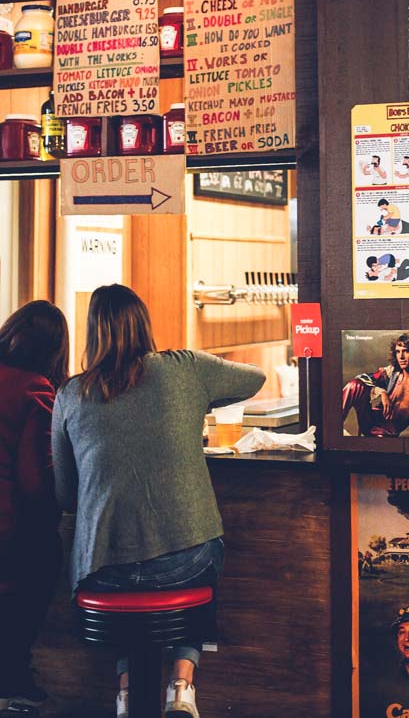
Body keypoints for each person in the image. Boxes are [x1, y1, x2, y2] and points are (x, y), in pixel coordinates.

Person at [51, 284, 265, 718]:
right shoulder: (184, 368)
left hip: (102, 571)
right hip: (185, 562)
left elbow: (65, 495)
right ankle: (181, 685)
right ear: (144, 325)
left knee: (126, 572)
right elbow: (254, 379)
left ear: (92, 332)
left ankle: (127, 692)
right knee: (197, 553)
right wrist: (198, 396)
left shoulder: (70, 395)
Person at [0, 301, 69, 712]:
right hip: (8, 529)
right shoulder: (35, 389)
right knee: (46, 556)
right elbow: (34, 479)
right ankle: (14, 678)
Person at [341, 332, 409, 438]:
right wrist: (382, 392)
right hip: (370, 419)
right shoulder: (391, 373)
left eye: (406, 351)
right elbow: (361, 378)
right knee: (355, 385)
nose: (401, 357)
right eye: (398, 352)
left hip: (386, 431)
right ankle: (334, 425)